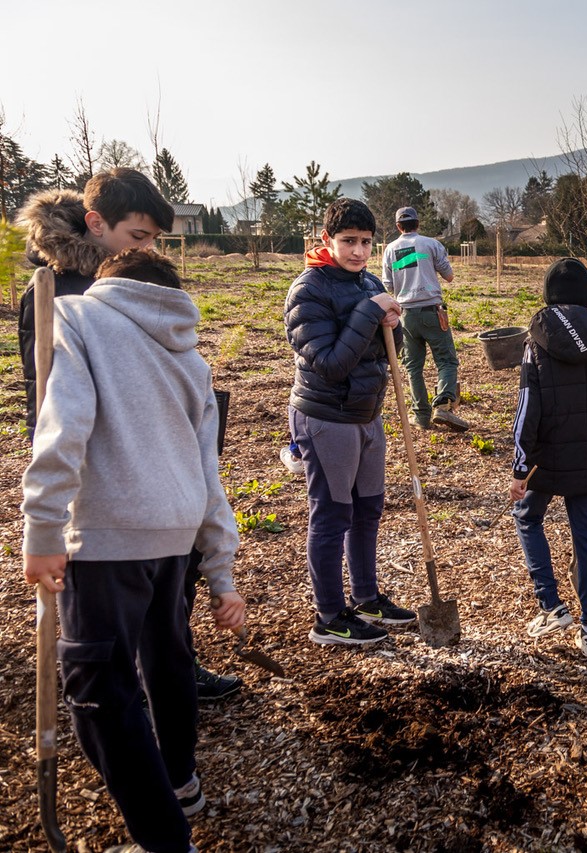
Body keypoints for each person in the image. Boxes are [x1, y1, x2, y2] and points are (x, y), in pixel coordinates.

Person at [21, 248, 246, 853]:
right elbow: (208, 471)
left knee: (97, 688)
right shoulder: (190, 355)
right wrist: (220, 570)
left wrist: (43, 526)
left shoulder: (77, 315)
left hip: (106, 537)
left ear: (108, 285)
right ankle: (179, 781)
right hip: (174, 538)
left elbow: (64, 419)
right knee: (167, 661)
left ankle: (166, 839)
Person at [17, 168, 241, 702]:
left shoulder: (140, 283)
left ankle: (171, 664)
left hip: (162, 460)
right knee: (108, 621)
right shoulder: (61, 295)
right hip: (104, 477)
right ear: (96, 225)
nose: (146, 249)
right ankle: (123, 686)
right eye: (138, 237)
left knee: (171, 577)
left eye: (153, 241)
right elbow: (49, 395)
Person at [285, 198, 417, 645]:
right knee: (332, 515)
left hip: (367, 414)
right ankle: (329, 616)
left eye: (364, 242)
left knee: (368, 509)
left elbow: (381, 349)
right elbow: (330, 363)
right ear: (327, 240)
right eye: (348, 242)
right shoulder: (308, 291)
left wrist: (392, 324)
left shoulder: (368, 283)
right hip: (326, 417)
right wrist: (369, 313)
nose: (358, 251)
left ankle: (365, 596)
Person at [510, 258, 587, 658]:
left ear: (548, 297)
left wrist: (521, 468)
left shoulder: (535, 342)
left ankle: (551, 605)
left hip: (546, 457)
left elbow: (527, 407)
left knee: (526, 516)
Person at [380, 206, 469, 432]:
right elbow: (449, 276)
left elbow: (388, 286)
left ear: (398, 226)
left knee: (413, 367)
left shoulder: (390, 249)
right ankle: (443, 405)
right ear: (418, 224)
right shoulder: (431, 244)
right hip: (433, 312)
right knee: (446, 361)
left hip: (406, 316)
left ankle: (420, 416)